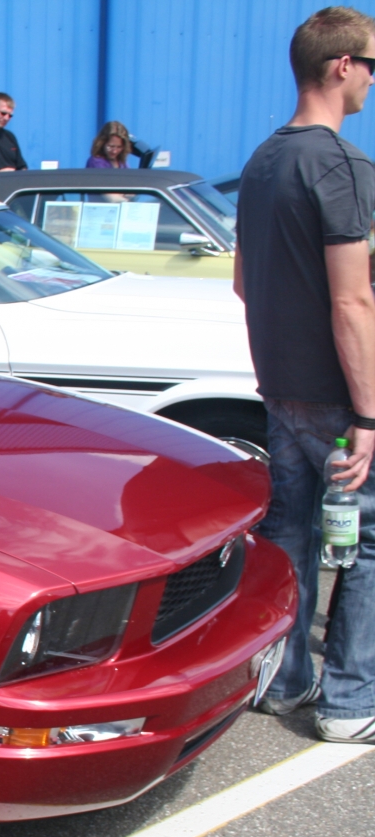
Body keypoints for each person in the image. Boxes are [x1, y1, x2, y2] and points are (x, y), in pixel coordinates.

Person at [235, 6, 375, 742]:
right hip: (335, 394)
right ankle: (351, 702)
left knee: (289, 532)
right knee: (369, 540)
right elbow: (353, 299)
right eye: (371, 66)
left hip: (278, 385)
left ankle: (285, 681)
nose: (373, 82)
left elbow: (241, 284)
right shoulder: (343, 164)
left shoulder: (261, 160)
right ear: (340, 67)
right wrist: (370, 414)